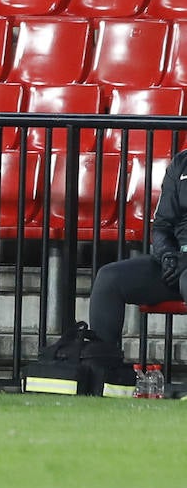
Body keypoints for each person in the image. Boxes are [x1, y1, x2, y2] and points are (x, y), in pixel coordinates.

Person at [88, 148, 187, 348]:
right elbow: (161, 226)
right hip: (176, 262)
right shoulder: (182, 163)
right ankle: (103, 370)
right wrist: (168, 256)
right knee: (109, 279)